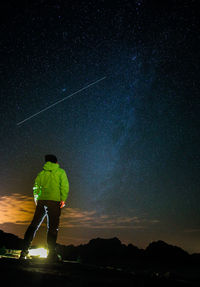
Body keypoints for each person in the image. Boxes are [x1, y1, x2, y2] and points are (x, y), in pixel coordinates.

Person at [20, 154, 69, 261]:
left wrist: (37, 199)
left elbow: (36, 187)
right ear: (56, 162)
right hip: (55, 202)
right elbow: (64, 186)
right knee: (52, 227)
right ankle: (51, 254)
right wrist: (63, 199)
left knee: (34, 225)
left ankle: (24, 250)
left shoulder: (41, 174)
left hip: (42, 201)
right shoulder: (61, 172)